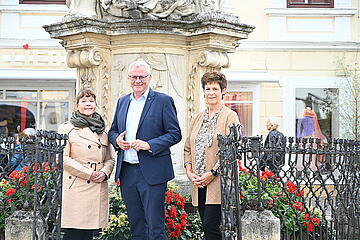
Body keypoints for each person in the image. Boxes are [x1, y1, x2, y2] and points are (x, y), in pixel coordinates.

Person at [108, 60, 182, 239]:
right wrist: (117, 141)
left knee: (155, 227)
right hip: (127, 171)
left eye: (142, 77)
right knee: (136, 226)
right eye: (134, 77)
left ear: (149, 78)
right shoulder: (122, 102)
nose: (138, 80)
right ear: (129, 78)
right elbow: (112, 131)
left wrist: (149, 145)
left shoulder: (163, 101)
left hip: (152, 172)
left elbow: (175, 134)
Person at [183, 72, 239, 240]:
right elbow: (187, 148)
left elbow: (232, 150)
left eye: (215, 88)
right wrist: (189, 171)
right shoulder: (197, 118)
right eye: (207, 88)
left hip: (218, 183)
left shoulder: (230, 116)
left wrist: (213, 173)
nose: (211, 92)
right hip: (198, 182)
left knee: (212, 227)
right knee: (207, 229)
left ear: (223, 91)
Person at [58, 88, 115, 240]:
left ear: (96, 105)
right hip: (77, 186)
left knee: (89, 234)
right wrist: (89, 173)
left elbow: (109, 159)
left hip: (97, 186)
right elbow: (62, 159)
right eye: (84, 101)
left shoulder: (102, 130)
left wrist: (104, 172)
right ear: (77, 106)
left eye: (91, 101)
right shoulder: (67, 128)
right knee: (74, 233)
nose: (88, 104)